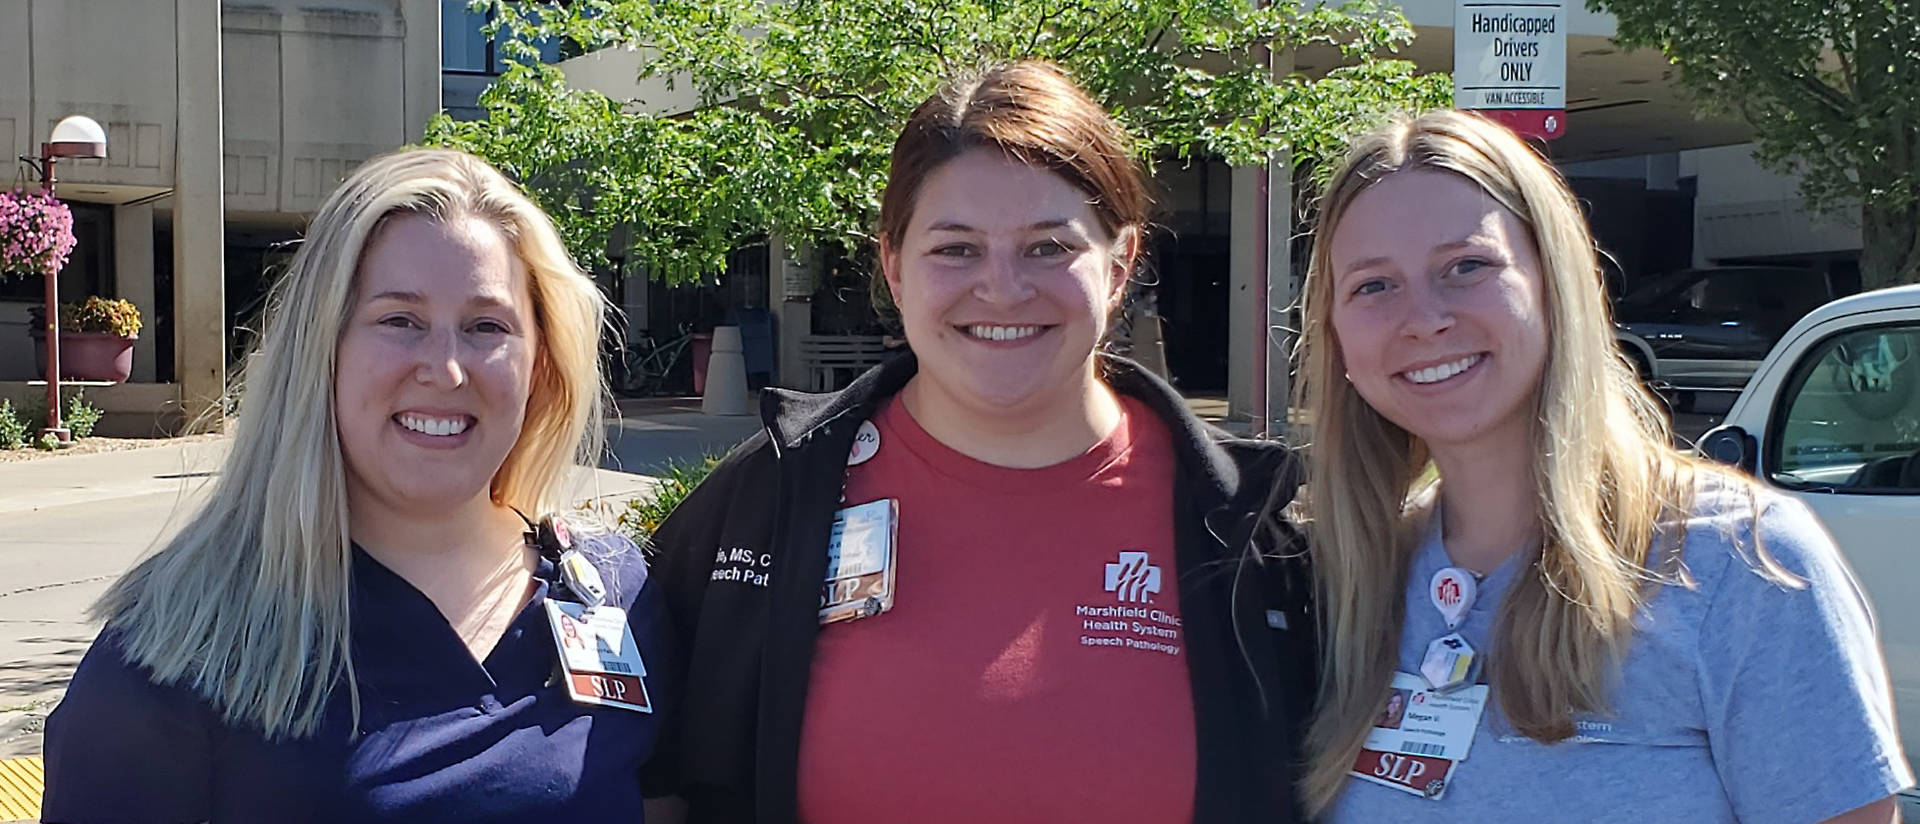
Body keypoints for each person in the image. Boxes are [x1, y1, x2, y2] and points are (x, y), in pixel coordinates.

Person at [641, 60, 1315, 824]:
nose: (1002, 289)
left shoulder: (1246, 529)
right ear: (894, 267)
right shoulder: (767, 496)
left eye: (1048, 247)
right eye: (955, 249)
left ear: (1120, 265)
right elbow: (639, 770)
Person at [1290, 109, 1912, 821]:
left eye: (1467, 266)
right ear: (1335, 331)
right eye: (1374, 285)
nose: (1424, 318)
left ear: (1555, 282)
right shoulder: (1349, 580)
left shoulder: (1738, 561)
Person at [41, 149, 672, 822]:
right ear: (322, 349)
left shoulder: (612, 596)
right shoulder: (179, 644)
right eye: (400, 321)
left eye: (486, 327)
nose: (446, 370)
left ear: (540, 361)